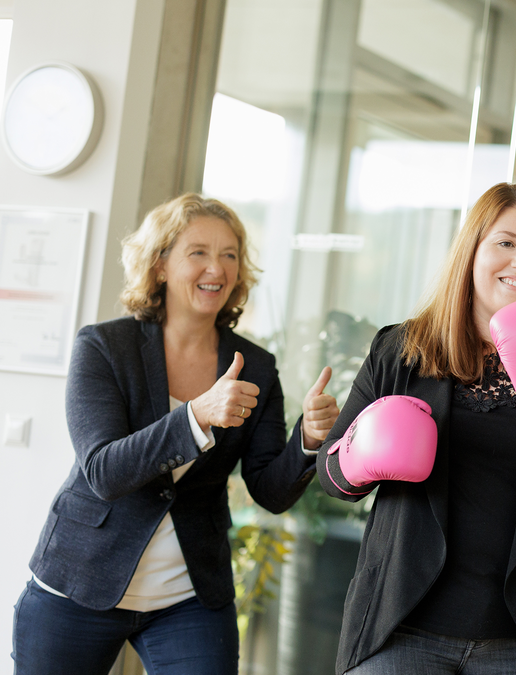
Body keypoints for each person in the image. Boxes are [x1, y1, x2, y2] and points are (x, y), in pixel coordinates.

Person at [13, 194, 340, 675]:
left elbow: (270, 490)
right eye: (199, 252)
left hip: (188, 598)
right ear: (160, 264)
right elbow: (104, 470)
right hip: (79, 585)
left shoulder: (257, 366)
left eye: (230, 254)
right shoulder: (104, 347)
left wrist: (308, 440)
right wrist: (196, 415)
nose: (218, 268)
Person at [317, 182, 516, 675]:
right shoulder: (402, 350)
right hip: (400, 629)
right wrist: (359, 452)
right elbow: (331, 477)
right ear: (471, 251)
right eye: (505, 243)